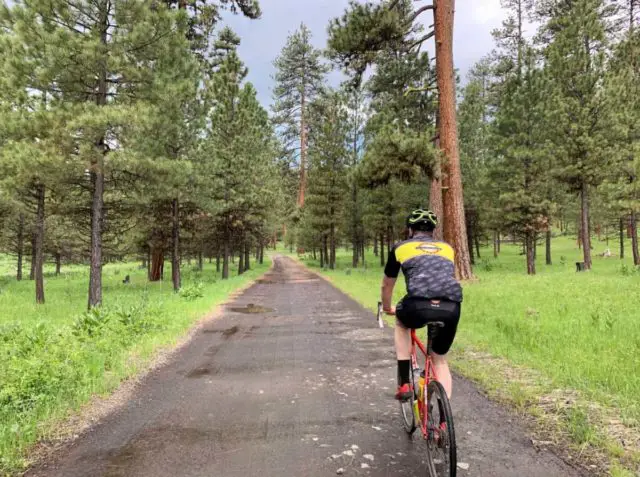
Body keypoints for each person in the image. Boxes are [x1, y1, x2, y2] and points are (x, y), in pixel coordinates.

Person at [380, 208, 462, 400]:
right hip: (451, 306)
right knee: (440, 360)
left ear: (410, 230)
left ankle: (404, 383)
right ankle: (443, 419)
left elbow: (387, 284)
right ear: (433, 230)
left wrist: (386, 307)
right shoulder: (448, 248)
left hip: (417, 304)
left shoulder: (400, 247)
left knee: (401, 324)